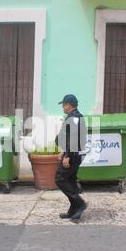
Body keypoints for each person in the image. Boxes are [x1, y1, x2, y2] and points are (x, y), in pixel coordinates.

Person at [55, 94, 88, 223]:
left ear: (68, 105)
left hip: (73, 155)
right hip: (74, 154)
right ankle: (74, 211)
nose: (62, 107)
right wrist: (64, 152)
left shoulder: (74, 118)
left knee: (60, 179)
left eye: (63, 104)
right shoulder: (75, 117)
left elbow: (73, 138)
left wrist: (67, 156)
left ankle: (79, 204)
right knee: (71, 180)